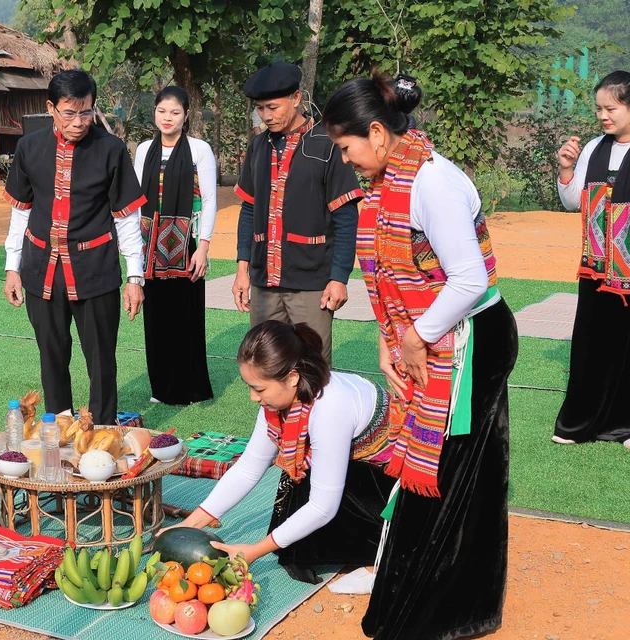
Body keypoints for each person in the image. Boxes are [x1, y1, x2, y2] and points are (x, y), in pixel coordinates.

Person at [322, 72, 518, 640]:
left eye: (346, 146)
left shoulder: (433, 183)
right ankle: (421, 588)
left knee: (455, 471)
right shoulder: (392, 180)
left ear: (378, 134)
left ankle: (447, 609)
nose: (347, 159)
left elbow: (470, 278)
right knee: (438, 462)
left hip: (470, 339)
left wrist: (414, 338)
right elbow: (389, 274)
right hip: (437, 335)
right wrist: (391, 339)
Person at [163, 320, 397, 584]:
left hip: (390, 488)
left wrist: (254, 551)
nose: (253, 397)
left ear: (292, 377)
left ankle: (380, 552)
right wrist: (189, 525)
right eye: (249, 386)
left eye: (259, 388)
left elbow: (323, 506)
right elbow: (249, 468)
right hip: (356, 473)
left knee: (298, 489)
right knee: (294, 491)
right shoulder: (281, 400)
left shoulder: (330, 408)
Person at [2, 70, 148, 425]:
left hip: (95, 269)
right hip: (41, 269)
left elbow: (127, 218)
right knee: (51, 353)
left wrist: (135, 277)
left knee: (101, 357)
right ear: (51, 107)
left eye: (86, 112)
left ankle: (101, 430)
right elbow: (20, 211)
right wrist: (12, 268)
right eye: (70, 112)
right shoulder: (29, 147)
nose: (79, 122)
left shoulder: (111, 150)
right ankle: (60, 426)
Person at [232, 61, 363, 365]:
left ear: (296, 98)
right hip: (264, 281)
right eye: (260, 109)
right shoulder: (258, 146)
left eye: (273, 107)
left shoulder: (328, 143)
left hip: (312, 283)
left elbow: (346, 217)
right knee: (266, 364)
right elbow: (249, 209)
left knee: (311, 367)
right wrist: (242, 269)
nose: (266, 116)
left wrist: (339, 277)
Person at [554, 70, 630, 448]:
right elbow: (573, 203)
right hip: (596, 267)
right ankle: (580, 422)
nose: (603, 116)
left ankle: (625, 425)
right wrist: (566, 168)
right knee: (591, 342)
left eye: (611, 108)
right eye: (599, 108)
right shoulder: (594, 148)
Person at [132, 87, 217, 405]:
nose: (167, 118)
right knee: (156, 318)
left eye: (175, 112)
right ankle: (161, 388)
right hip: (149, 244)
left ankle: (189, 387)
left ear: (186, 115)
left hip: (186, 244)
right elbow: (137, 199)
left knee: (186, 315)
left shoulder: (199, 150)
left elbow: (209, 200)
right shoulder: (143, 150)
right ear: (154, 112)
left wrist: (204, 246)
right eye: (162, 111)